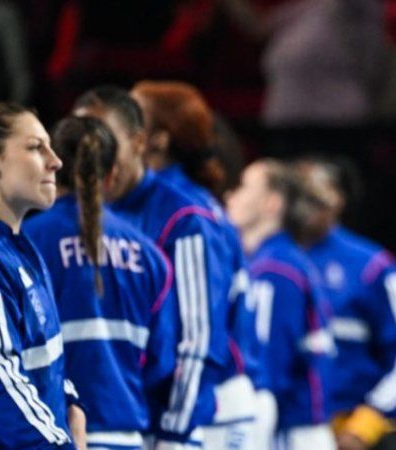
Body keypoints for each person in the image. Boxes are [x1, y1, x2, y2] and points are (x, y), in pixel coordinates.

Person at [72, 86, 231, 449]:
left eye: (106, 144)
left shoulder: (184, 218)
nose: (96, 159)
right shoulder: (70, 219)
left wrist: (172, 433)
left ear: (139, 142)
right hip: (96, 427)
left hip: (162, 429)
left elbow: (198, 341)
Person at [24, 116, 179, 450]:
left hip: (54, 434)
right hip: (126, 436)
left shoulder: (27, 243)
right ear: (112, 175)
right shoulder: (151, 256)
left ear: (53, 167)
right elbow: (163, 364)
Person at [129, 80, 257, 450]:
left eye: (133, 116)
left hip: (207, 406)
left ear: (159, 139)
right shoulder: (150, 202)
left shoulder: (187, 212)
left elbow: (200, 333)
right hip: (172, 402)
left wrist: (176, 425)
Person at [296, 158, 396, 450]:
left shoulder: (373, 266)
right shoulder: (264, 261)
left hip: (351, 433)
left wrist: (367, 422)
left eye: (315, 193)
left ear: (337, 199)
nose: (304, 204)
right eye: (297, 193)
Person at [226, 159, 336, 450]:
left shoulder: (274, 270)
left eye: (243, 187)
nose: (230, 195)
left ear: (272, 204)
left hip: (288, 431)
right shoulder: (276, 261)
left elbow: (269, 364)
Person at [0, 102, 84, 449]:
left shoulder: (23, 248)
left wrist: (70, 400)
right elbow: (1, 383)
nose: (56, 161)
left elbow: (42, 353)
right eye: (35, 147)